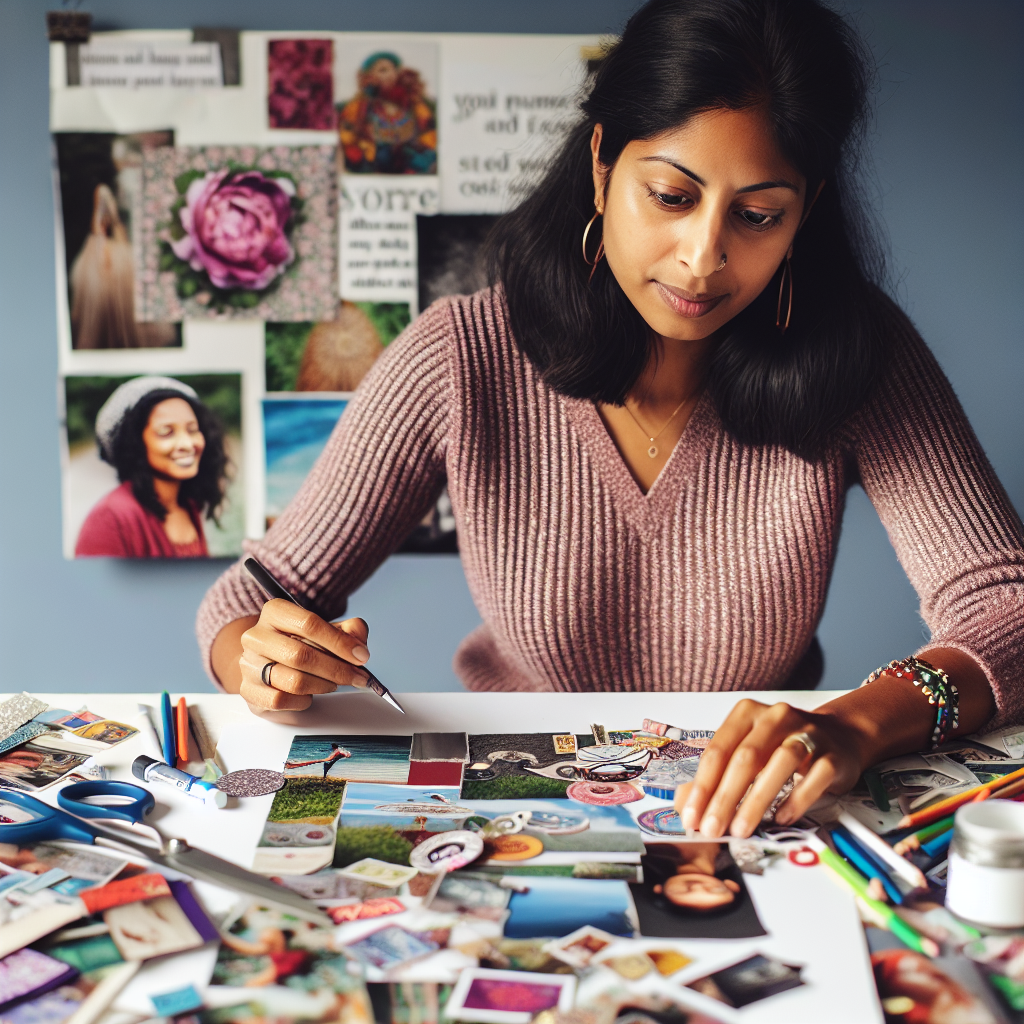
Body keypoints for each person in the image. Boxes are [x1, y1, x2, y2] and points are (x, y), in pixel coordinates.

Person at [198, 0, 1024, 839]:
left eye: (758, 214)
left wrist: (851, 724)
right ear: (602, 165)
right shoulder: (463, 354)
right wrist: (261, 658)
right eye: (671, 195)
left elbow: (1009, 607)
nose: (704, 257)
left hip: (746, 816)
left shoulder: (861, 352)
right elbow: (250, 600)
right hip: (504, 811)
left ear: (803, 212)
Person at [76, 376, 228, 558]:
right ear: (136, 443)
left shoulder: (189, 505)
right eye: (166, 432)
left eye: (192, 429)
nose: (187, 444)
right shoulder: (110, 518)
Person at [337, 52, 437, 174]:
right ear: (370, 76)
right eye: (382, 70)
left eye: (393, 70)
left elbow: (428, 130)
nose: (390, 75)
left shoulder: (414, 103)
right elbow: (347, 135)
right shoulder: (359, 106)